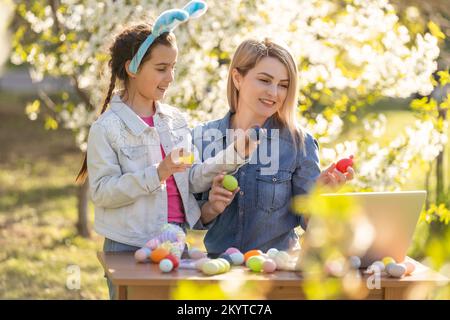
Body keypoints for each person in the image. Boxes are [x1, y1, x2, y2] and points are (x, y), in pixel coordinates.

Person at [75, 2, 256, 299]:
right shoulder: (106, 129)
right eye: (161, 69)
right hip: (130, 247)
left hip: (175, 243)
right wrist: (158, 172)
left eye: (173, 68)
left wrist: (234, 154)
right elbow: (103, 192)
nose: (170, 78)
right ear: (131, 68)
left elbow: (190, 179)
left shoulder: (175, 121)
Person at [193, 38, 354, 256]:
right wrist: (211, 208)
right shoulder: (203, 138)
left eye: (283, 85)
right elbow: (186, 217)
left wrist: (320, 199)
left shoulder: (299, 144)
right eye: (265, 80)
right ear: (237, 78)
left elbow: (310, 223)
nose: (274, 92)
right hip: (220, 271)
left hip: (276, 272)